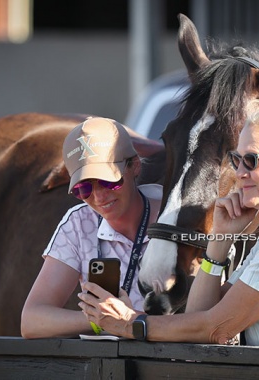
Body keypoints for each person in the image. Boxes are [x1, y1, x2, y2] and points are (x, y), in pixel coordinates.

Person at [77, 100, 259, 350]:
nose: (239, 173)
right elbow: (202, 313)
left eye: (252, 161)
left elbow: (216, 328)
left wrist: (130, 324)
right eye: (236, 159)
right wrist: (219, 242)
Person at [21, 117, 162, 339]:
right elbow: (31, 321)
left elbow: (204, 316)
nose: (98, 197)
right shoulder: (79, 222)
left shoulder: (175, 216)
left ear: (134, 165)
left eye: (108, 181)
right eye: (83, 188)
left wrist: (131, 320)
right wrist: (102, 318)